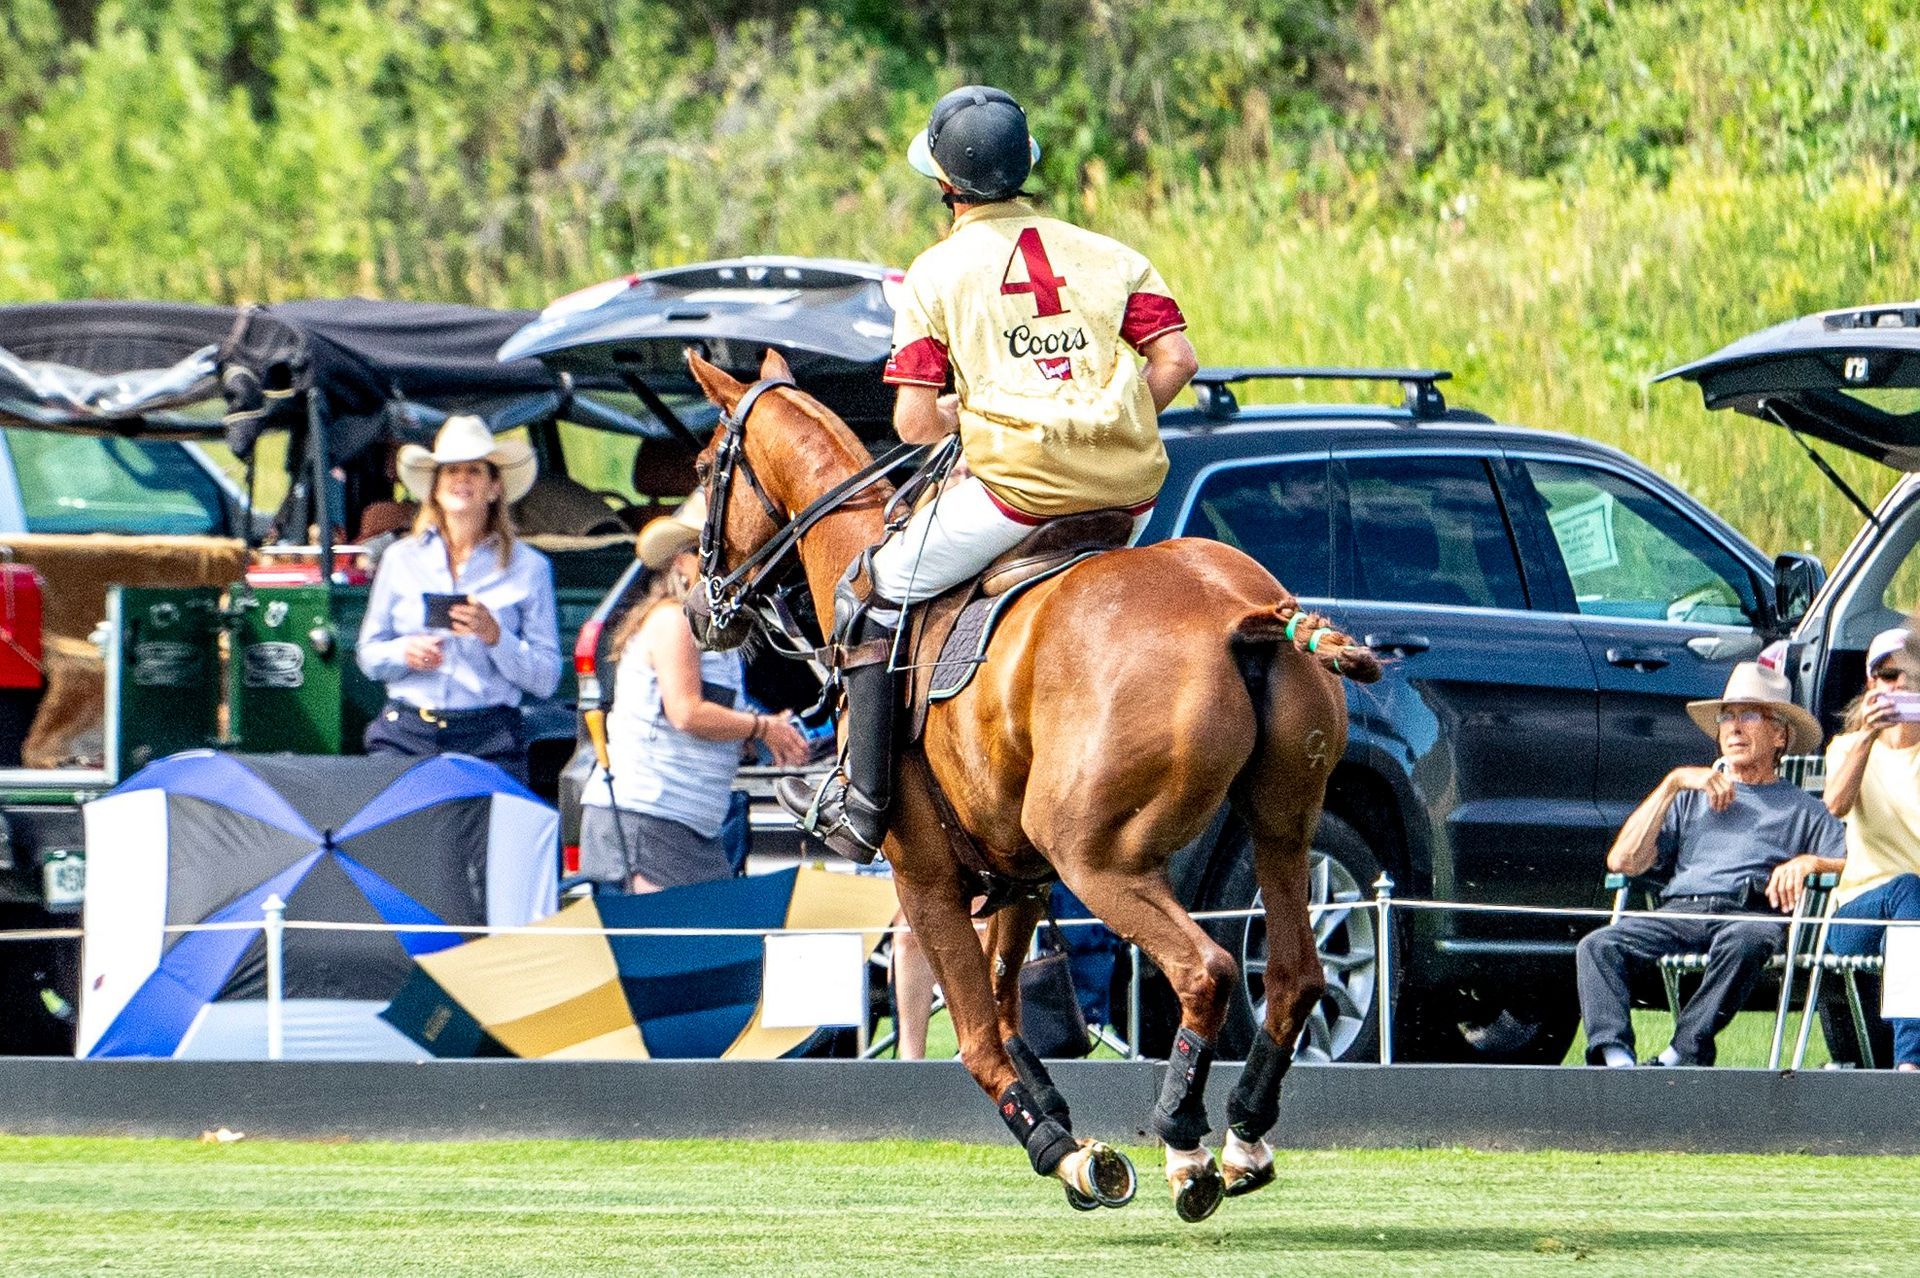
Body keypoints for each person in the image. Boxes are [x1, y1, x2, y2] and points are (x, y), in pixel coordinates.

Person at [774, 84, 1200, 862]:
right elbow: (1177, 358)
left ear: (945, 185)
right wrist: (1113, 423)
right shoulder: (1111, 256)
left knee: (868, 589)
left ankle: (860, 800)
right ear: (1028, 164)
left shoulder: (934, 275)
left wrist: (976, 431)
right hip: (1129, 497)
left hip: (1016, 498)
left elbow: (911, 423)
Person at [1576, 662, 1845, 1066]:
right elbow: (1623, 861)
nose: (1734, 727)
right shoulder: (1688, 794)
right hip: (1681, 910)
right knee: (1597, 945)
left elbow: (1850, 864)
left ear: (1779, 735)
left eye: (1750, 715)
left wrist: (1810, 862)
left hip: (1749, 914)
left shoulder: (1805, 809)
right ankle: (1617, 1060)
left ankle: (1679, 1054)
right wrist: (1672, 784)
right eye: (1727, 717)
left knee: (1746, 940)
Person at [580, 496, 808, 892]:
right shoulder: (674, 620)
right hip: (647, 818)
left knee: (705, 945)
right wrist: (761, 727)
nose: (733, 567)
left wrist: (746, 736)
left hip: (682, 822)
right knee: (670, 947)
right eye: (718, 554)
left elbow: (701, 721)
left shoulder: (715, 637)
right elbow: (685, 712)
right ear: (683, 563)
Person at [356, 416, 561, 783]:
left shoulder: (530, 568)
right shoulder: (400, 558)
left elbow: (546, 679)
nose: (461, 479)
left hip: (488, 735)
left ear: (494, 487)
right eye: (450, 471)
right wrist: (403, 653)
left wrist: (496, 637)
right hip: (406, 731)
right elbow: (369, 654)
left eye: (474, 471)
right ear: (435, 487)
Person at [1821, 627, 1920, 1070]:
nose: (1895, 685)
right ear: (1869, 686)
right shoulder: (1846, 748)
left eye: (1906, 675)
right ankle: (1911, 1062)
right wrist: (1866, 736)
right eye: (1883, 676)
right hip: (1859, 912)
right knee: (1907, 890)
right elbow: (1836, 805)